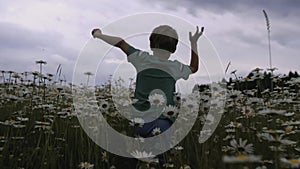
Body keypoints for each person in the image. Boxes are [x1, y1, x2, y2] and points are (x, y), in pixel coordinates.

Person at [92, 25, 203, 168]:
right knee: (162, 162)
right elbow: (194, 68)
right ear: (174, 49)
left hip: (139, 122)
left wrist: (99, 35)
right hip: (162, 124)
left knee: (137, 158)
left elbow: (120, 42)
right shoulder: (175, 68)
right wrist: (194, 43)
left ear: (151, 44)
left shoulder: (141, 59)